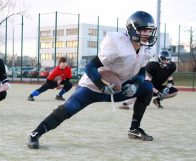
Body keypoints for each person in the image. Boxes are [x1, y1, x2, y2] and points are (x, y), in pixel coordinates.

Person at [27, 11, 158, 149]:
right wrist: (101, 86)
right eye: (143, 30)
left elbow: (142, 70)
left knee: (147, 88)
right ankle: (35, 134)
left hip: (117, 88)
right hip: (93, 86)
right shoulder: (117, 42)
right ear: (132, 29)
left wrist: (136, 84)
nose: (147, 35)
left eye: (149, 31)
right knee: (69, 108)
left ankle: (134, 129)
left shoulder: (147, 48)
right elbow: (90, 66)